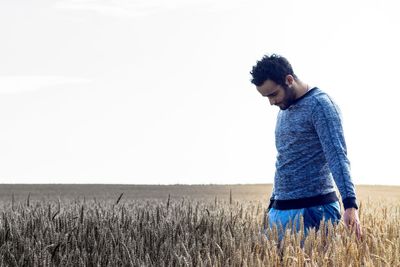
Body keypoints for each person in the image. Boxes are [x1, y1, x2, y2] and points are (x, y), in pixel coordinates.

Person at [250, 54, 362, 239]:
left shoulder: (321, 105)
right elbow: (285, 159)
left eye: (273, 94)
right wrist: (273, 203)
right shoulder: (284, 109)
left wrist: (350, 205)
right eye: (266, 97)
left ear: (289, 80)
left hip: (313, 210)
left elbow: (337, 155)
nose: (271, 102)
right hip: (280, 211)